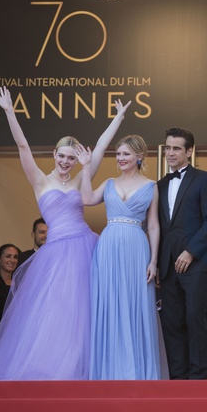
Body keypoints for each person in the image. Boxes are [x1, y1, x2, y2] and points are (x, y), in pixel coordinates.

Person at [0, 86, 130, 381]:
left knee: (85, 311)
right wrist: (9, 111)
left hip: (85, 247)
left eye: (71, 158)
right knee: (53, 311)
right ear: (54, 154)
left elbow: (100, 148)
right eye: (62, 156)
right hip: (56, 252)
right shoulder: (40, 181)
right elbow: (22, 147)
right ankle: (52, 369)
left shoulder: (81, 177)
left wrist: (118, 118)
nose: (66, 161)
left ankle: (85, 369)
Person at [77, 134, 162, 380]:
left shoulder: (151, 186)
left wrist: (153, 261)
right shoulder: (109, 183)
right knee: (109, 303)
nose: (121, 158)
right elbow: (87, 199)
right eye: (118, 154)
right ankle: (109, 372)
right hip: (109, 248)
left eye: (126, 154)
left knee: (136, 305)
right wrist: (85, 168)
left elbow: (153, 225)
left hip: (137, 249)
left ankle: (136, 373)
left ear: (139, 156)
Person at [157, 127, 207, 380]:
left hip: (197, 263)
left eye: (176, 148)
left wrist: (190, 252)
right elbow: (158, 227)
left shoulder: (205, 179)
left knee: (196, 320)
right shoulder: (160, 185)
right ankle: (177, 381)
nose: (170, 153)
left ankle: (197, 380)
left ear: (189, 151)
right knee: (172, 323)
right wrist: (157, 262)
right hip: (167, 266)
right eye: (168, 148)